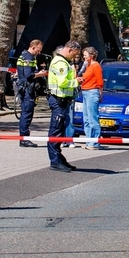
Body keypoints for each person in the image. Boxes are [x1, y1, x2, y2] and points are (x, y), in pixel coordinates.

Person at [47, 41, 80, 172]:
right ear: (70, 50)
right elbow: (62, 82)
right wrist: (76, 81)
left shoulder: (63, 61)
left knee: (59, 131)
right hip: (58, 100)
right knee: (55, 131)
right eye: (75, 55)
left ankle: (59, 159)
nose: (74, 58)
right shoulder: (60, 63)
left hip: (62, 100)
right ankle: (55, 161)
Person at [15, 39, 47, 147]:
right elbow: (28, 75)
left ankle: (23, 138)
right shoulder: (28, 57)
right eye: (38, 50)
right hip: (28, 89)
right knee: (27, 114)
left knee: (25, 113)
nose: (39, 53)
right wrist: (40, 74)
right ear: (33, 47)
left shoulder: (22, 55)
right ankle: (24, 139)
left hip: (23, 88)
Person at [78, 46, 104, 150]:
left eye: (85, 54)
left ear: (91, 55)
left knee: (93, 118)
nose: (83, 56)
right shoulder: (87, 66)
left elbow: (100, 82)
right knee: (87, 119)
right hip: (85, 92)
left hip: (92, 92)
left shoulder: (96, 66)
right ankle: (89, 141)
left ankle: (95, 142)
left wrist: (100, 94)